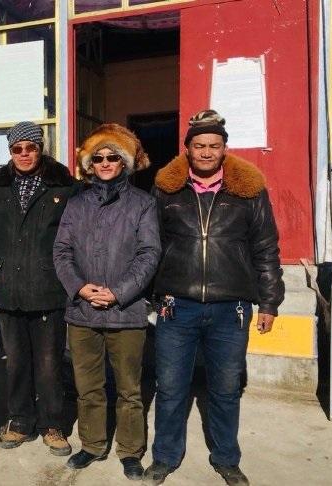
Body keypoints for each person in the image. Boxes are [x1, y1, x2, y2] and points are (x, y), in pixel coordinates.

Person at [143, 110, 285, 486]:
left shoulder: (248, 191)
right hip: (176, 306)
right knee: (170, 387)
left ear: (224, 149)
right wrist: (149, 294)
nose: (206, 152)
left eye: (214, 146)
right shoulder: (167, 189)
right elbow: (151, 245)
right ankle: (165, 457)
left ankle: (226, 458)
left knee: (225, 388)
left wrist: (269, 302)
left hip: (231, 308)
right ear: (187, 149)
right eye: (199, 145)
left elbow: (266, 247)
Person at [53, 124, 161, 479]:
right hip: (82, 311)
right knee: (88, 386)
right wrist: (80, 288)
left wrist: (118, 292)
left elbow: (149, 253)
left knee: (129, 389)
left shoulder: (143, 204)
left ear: (124, 161)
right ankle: (93, 444)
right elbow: (61, 252)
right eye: (97, 158)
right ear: (90, 164)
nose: (104, 163)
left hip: (126, 311)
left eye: (112, 157)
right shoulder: (76, 205)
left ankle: (130, 450)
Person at [0, 121, 76, 457]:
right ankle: (20, 420)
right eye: (17, 149)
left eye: (30, 148)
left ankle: (52, 423)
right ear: (10, 152)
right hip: (8, 285)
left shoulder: (63, 185)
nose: (24, 154)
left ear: (40, 148)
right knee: (16, 361)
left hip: (48, 285)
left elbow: (72, 238)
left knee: (49, 362)